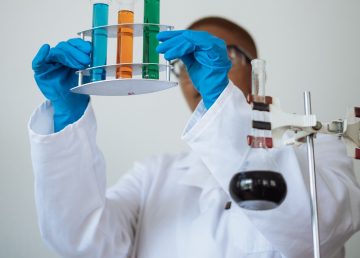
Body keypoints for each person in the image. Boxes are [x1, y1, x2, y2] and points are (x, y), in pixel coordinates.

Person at [29, 16, 360, 258]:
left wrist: (221, 99)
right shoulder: (154, 175)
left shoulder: (318, 149)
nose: (193, 76)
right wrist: (65, 119)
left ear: (257, 68)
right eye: (185, 64)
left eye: (220, 56)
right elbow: (83, 242)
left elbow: (314, 234)